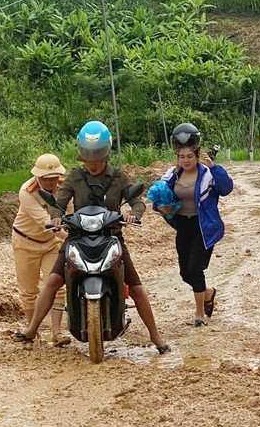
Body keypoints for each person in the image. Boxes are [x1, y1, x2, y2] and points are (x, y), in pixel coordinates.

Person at [12, 121, 170, 354]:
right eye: (88, 159)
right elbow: (59, 203)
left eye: (96, 159)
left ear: (106, 154)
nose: (92, 164)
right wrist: (56, 217)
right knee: (53, 281)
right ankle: (32, 329)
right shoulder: (74, 177)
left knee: (135, 287)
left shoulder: (119, 177)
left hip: (112, 237)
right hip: (77, 237)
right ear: (82, 158)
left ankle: (155, 336)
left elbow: (137, 201)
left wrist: (133, 214)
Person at [156, 123, 233, 327]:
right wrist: (161, 207)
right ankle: (207, 293)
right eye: (182, 156)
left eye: (190, 156)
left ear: (197, 155)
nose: (186, 160)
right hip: (183, 226)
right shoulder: (172, 174)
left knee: (195, 268)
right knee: (184, 272)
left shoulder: (207, 174)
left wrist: (215, 167)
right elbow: (159, 197)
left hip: (204, 227)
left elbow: (226, 189)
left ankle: (198, 314)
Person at [11, 154, 70, 347]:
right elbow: (46, 221)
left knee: (56, 285)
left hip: (51, 242)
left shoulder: (64, 187)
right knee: (29, 290)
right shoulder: (27, 192)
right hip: (26, 242)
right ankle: (32, 330)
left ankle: (57, 332)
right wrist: (71, 236)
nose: (51, 181)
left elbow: (71, 212)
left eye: (54, 177)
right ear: (38, 177)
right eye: (46, 178)